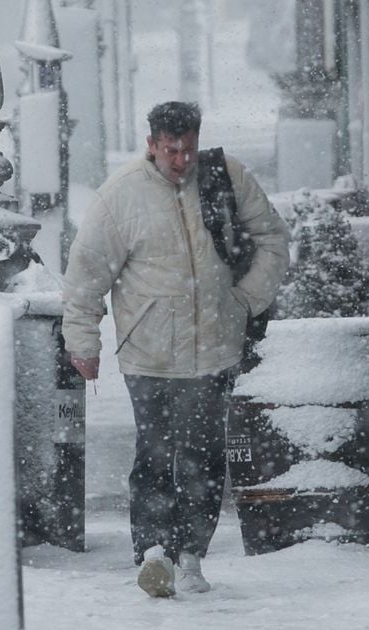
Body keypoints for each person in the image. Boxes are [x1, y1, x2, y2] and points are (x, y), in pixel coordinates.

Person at [61, 101, 291, 598]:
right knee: (155, 453)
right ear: (152, 144)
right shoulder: (119, 196)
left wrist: (244, 301)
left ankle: (192, 554)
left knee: (204, 456)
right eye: (171, 151)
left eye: (188, 149)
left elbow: (273, 239)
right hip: (148, 355)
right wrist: (81, 341)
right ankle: (153, 552)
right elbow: (85, 276)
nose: (182, 161)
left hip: (214, 348)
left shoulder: (225, 177)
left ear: (197, 139)